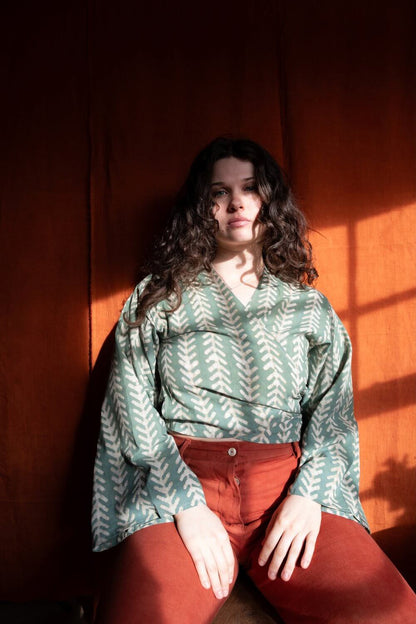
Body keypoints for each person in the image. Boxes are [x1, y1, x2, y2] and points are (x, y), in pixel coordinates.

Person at [92, 137, 416, 623]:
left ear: (270, 201)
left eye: (250, 188)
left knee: (390, 614)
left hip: (284, 488)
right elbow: (130, 403)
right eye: (219, 192)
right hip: (183, 484)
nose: (236, 203)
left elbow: (333, 416)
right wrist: (186, 507)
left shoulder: (308, 308)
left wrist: (308, 496)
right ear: (201, 207)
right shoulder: (158, 298)